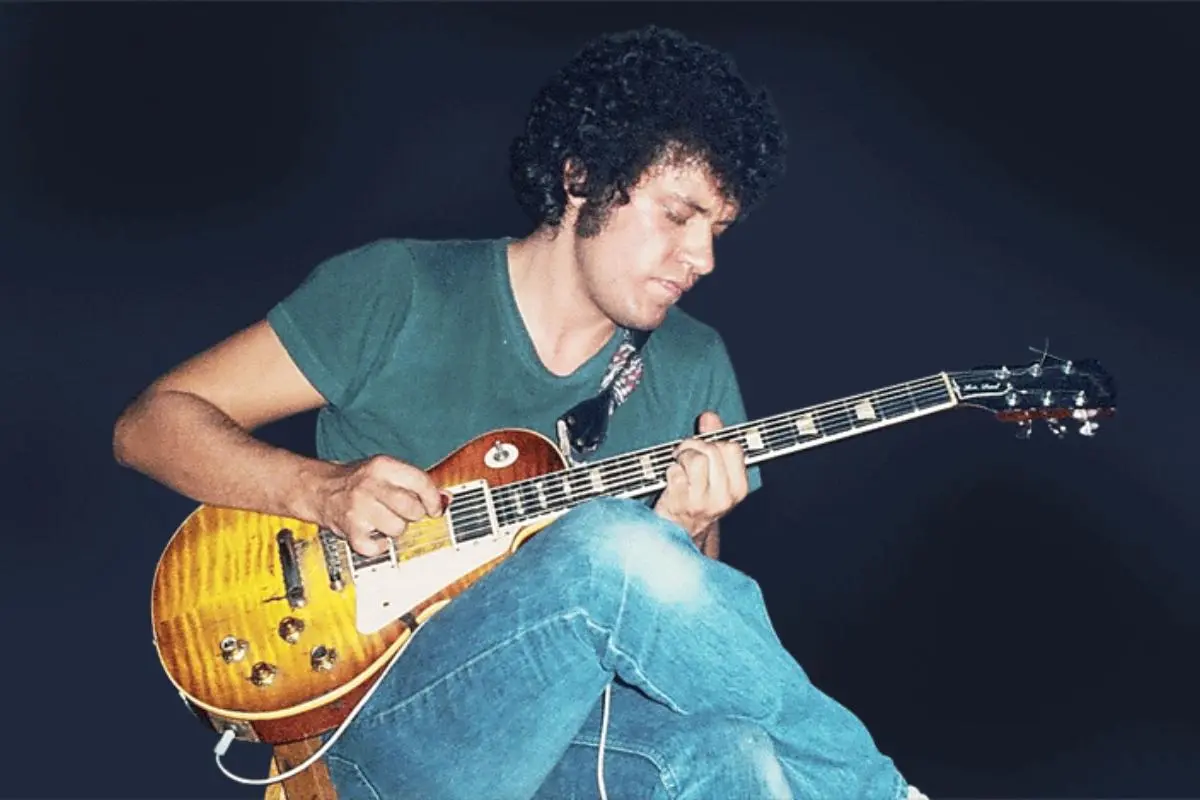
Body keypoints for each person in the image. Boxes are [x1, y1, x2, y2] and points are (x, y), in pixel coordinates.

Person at [114, 25, 926, 800]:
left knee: (734, 755)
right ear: (581, 179)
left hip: (578, 748)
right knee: (609, 542)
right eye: (679, 216)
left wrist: (684, 529)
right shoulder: (397, 291)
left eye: (719, 230)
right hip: (379, 740)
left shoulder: (693, 362)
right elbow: (149, 424)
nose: (703, 258)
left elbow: (696, 641)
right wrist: (319, 489)